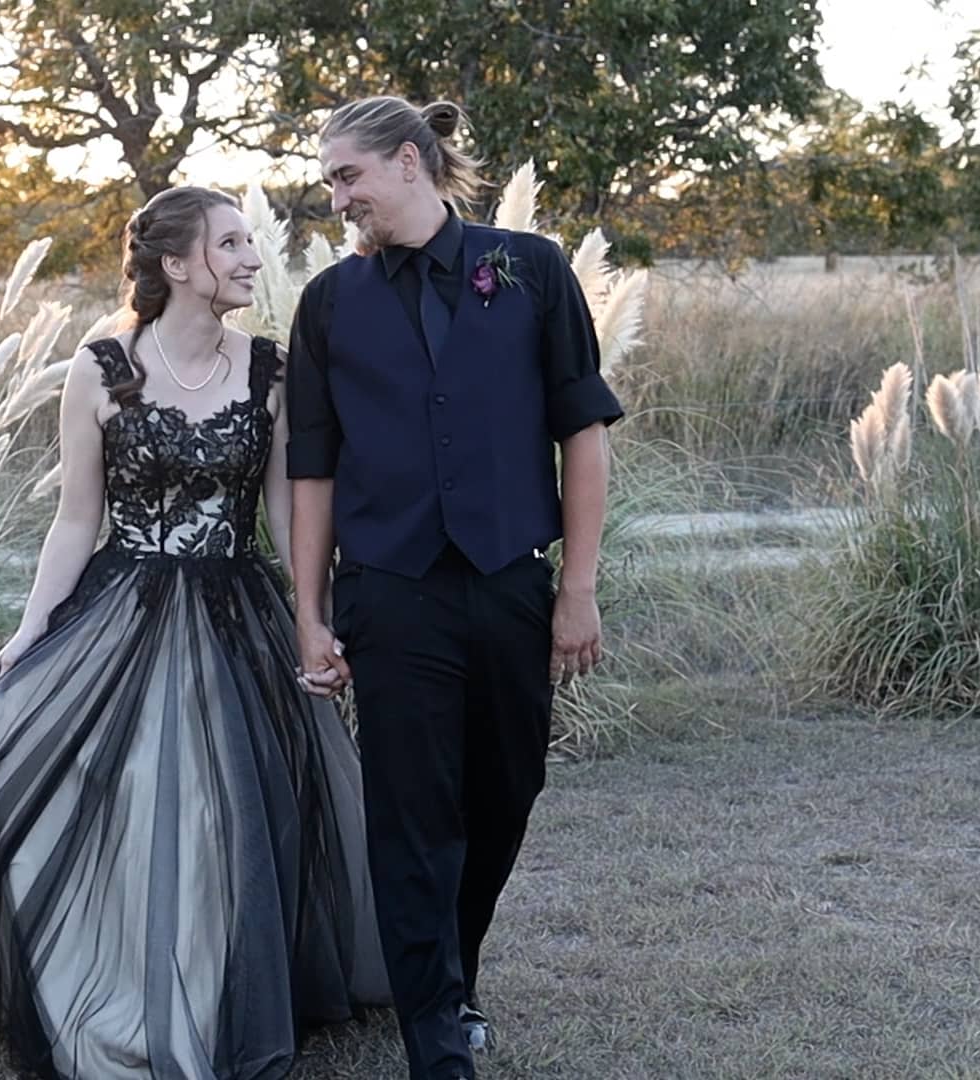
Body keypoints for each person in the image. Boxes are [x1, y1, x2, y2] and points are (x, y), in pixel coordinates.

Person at [0, 185, 389, 1079]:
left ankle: (211, 991)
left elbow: (286, 515)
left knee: (225, 805)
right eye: (231, 244)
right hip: (126, 606)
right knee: (72, 777)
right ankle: (97, 982)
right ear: (176, 264)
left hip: (238, 612)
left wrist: (315, 619)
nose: (251, 258)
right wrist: (32, 628)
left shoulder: (270, 370)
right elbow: (76, 519)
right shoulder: (100, 369)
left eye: (249, 243)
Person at [286, 97, 623, 1080]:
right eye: (329, 182)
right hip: (389, 592)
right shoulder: (331, 303)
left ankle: (453, 975)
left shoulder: (532, 270)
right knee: (410, 813)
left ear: (407, 161)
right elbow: (313, 472)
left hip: (510, 581)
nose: (337, 198)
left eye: (347, 176)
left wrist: (578, 588)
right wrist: (310, 614)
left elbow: (583, 435)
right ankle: (436, 1037)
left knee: (506, 792)